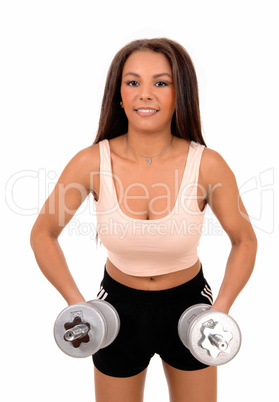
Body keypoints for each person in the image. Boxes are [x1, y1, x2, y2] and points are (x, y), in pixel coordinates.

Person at [30, 38, 257, 402]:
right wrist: (79, 306)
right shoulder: (91, 162)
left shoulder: (208, 164)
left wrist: (220, 312)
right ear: (119, 94)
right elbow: (43, 233)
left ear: (179, 93)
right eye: (133, 82)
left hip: (189, 304)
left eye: (161, 83)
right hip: (117, 307)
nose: (145, 94)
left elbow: (245, 240)